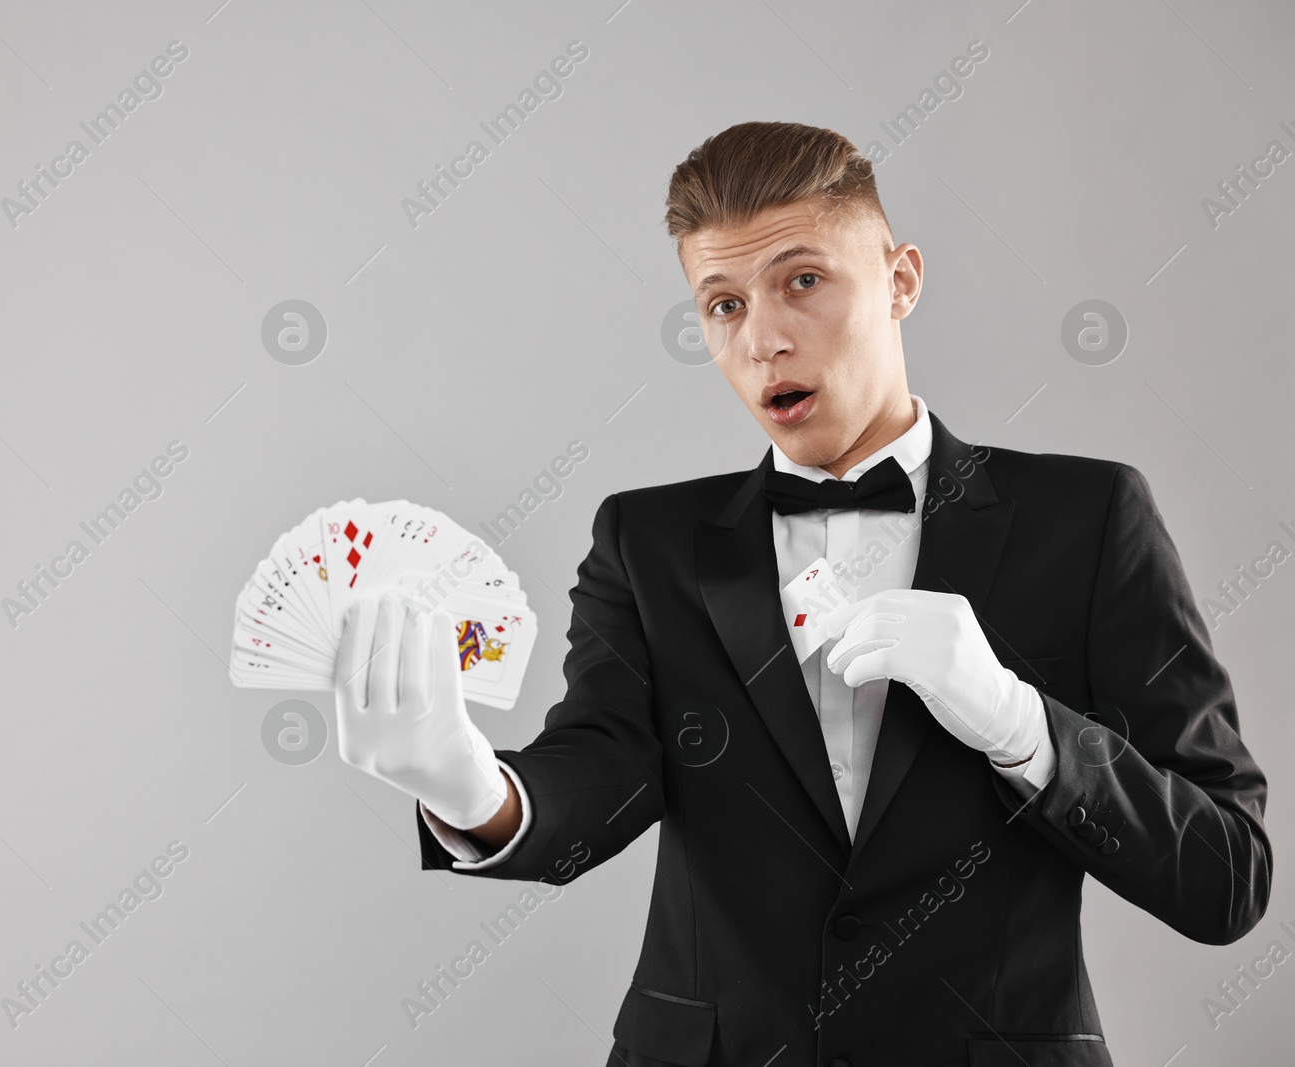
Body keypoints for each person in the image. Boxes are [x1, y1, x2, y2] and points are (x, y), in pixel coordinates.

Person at [331, 121, 1272, 1066]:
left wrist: (1024, 728)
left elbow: (1226, 877)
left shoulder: (1089, 515)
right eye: (724, 304)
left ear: (901, 280)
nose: (765, 338)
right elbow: (602, 775)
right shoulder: (647, 541)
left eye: (803, 281)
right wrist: (472, 788)